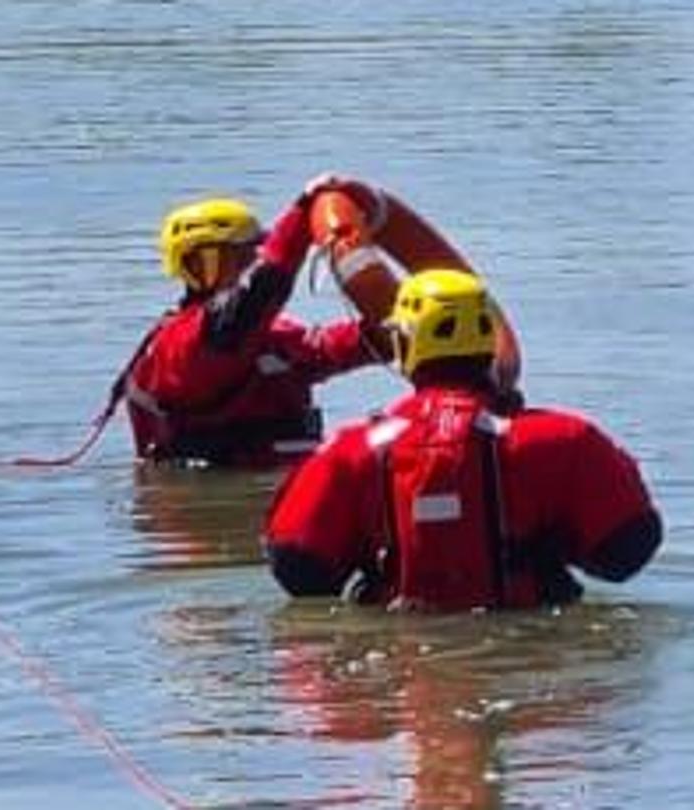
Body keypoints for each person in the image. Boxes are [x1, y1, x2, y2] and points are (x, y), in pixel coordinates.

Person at [264, 269, 662, 611]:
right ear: (491, 344)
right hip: (530, 652)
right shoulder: (565, 439)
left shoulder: (347, 452)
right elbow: (628, 550)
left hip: (401, 658)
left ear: (404, 344)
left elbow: (300, 572)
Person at [123, 187, 384, 467]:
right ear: (193, 267)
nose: (243, 270)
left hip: (287, 487)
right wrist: (301, 216)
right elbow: (255, 297)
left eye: (250, 258)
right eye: (231, 259)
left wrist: (402, 324)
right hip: (214, 496)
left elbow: (333, 347)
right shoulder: (180, 344)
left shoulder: (273, 336)